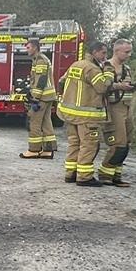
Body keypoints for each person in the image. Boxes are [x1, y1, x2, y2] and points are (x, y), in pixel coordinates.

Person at [58, 39, 112, 185]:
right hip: (87, 117)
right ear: (94, 52)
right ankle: (84, 176)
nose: (105, 57)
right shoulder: (92, 69)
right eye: (103, 53)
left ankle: (70, 174)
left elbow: (61, 82)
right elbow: (103, 88)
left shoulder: (76, 64)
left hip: (70, 114)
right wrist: (108, 72)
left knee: (74, 143)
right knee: (89, 145)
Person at [98, 38, 136, 186]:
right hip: (114, 108)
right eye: (126, 52)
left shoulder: (127, 68)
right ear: (116, 51)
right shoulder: (107, 66)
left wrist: (132, 87)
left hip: (127, 107)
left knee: (126, 143)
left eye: (130, 51)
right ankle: (105, 174)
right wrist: (119, 86)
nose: (129, 54)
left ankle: (116, 175)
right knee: (118, 143)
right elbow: (104, 87)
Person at [20, 36, 57, 159]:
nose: (27, 50)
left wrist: (35, 98)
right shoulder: (40, 59)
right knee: (46, 122)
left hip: (42, 97)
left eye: (29, 47)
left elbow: (41, 80)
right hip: (48, 96)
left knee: (34, 122)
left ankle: (34, 150)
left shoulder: (40, 60)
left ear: (35, 47)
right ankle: (48, 150)